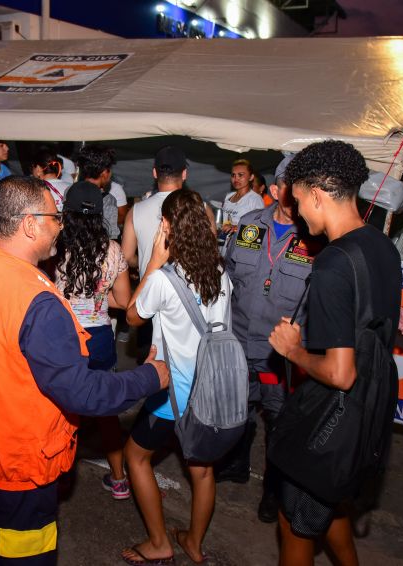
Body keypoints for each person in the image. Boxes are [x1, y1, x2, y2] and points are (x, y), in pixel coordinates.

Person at [0, 175, 169, 565]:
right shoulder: (38, 302)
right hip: (19, 465)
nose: (60, 225)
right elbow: (83, 393)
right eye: (54, 217)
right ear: (30, 224)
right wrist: (152, 376)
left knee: (3, 539)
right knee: (28, 556)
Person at [268, 140, 402, 566]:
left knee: (293, 524)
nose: (299, 213)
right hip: (371, 406)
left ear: (319, 195)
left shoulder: (332, 264)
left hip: (336, 411)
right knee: (329, 503)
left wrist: (294, 351)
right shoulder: (381, 245)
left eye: (300, 200)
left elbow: (341, 373)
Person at [122, 189, 232, 566]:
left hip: (171, 397)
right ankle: (194, 544)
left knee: (135, 458)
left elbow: (133, 316)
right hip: (211, 393)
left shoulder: (164, 280)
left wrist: (153, 260)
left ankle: (159, 542)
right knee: (202, 472)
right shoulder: (220, 274)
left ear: (166, 227)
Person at [219, 154, 318, 523]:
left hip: (281, 355)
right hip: (240, 344)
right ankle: (236, 466)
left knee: (279, 422)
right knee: (239, 411)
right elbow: (228, 276)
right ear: (275, 190)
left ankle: (273, 492)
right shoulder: (248, 225)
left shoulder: (315, 238)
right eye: (294, 190)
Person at [53, 181, 132, 499]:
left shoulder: (54, 247)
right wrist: (96, 295)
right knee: (106, 410)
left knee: (58, 410)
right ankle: (119, 480)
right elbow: (124, 300)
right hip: (99, 338)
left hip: (64, 335)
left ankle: (55, 477)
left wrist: (73, 295)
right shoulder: (112, 250)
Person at [121, 145, 216, 363]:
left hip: (148, 300)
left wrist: (146, 260)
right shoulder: (200, 208)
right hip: (191, 301)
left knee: (151, 371)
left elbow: (126, 257)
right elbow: (210, 253)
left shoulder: (136, 210)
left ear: (155, 173)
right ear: (184, 173)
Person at [75, 144, 120, 239]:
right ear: (104, 173)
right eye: (110, 170)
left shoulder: (70, 191)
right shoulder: (108, 200)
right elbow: (111, 235)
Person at [220, 159, 264, 238]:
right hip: (224, 244)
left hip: (240, 246)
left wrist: (235, 228)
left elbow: (259, 228)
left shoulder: (255, 199)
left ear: (251, 177)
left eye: (240, 175)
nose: (236, 179)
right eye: (233, 175)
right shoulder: (228, 196)